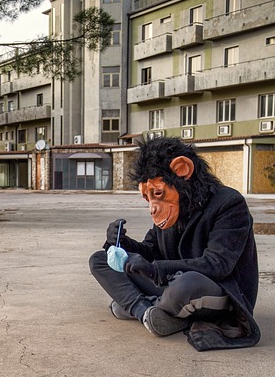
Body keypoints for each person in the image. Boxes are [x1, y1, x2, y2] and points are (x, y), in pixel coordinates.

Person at [89, 137, 261, 351]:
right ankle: (145, 311)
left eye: (158, 193)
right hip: (170, 286)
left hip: (215, 292)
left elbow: (218, 264)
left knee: (187, 283)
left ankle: (136, 304)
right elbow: (151, 252)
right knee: (99, 259)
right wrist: (121, 243)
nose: (153, 207)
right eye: (147, 197)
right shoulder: (170, 210)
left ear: (182, 170)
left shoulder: (229, 203)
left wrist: (155, 270)